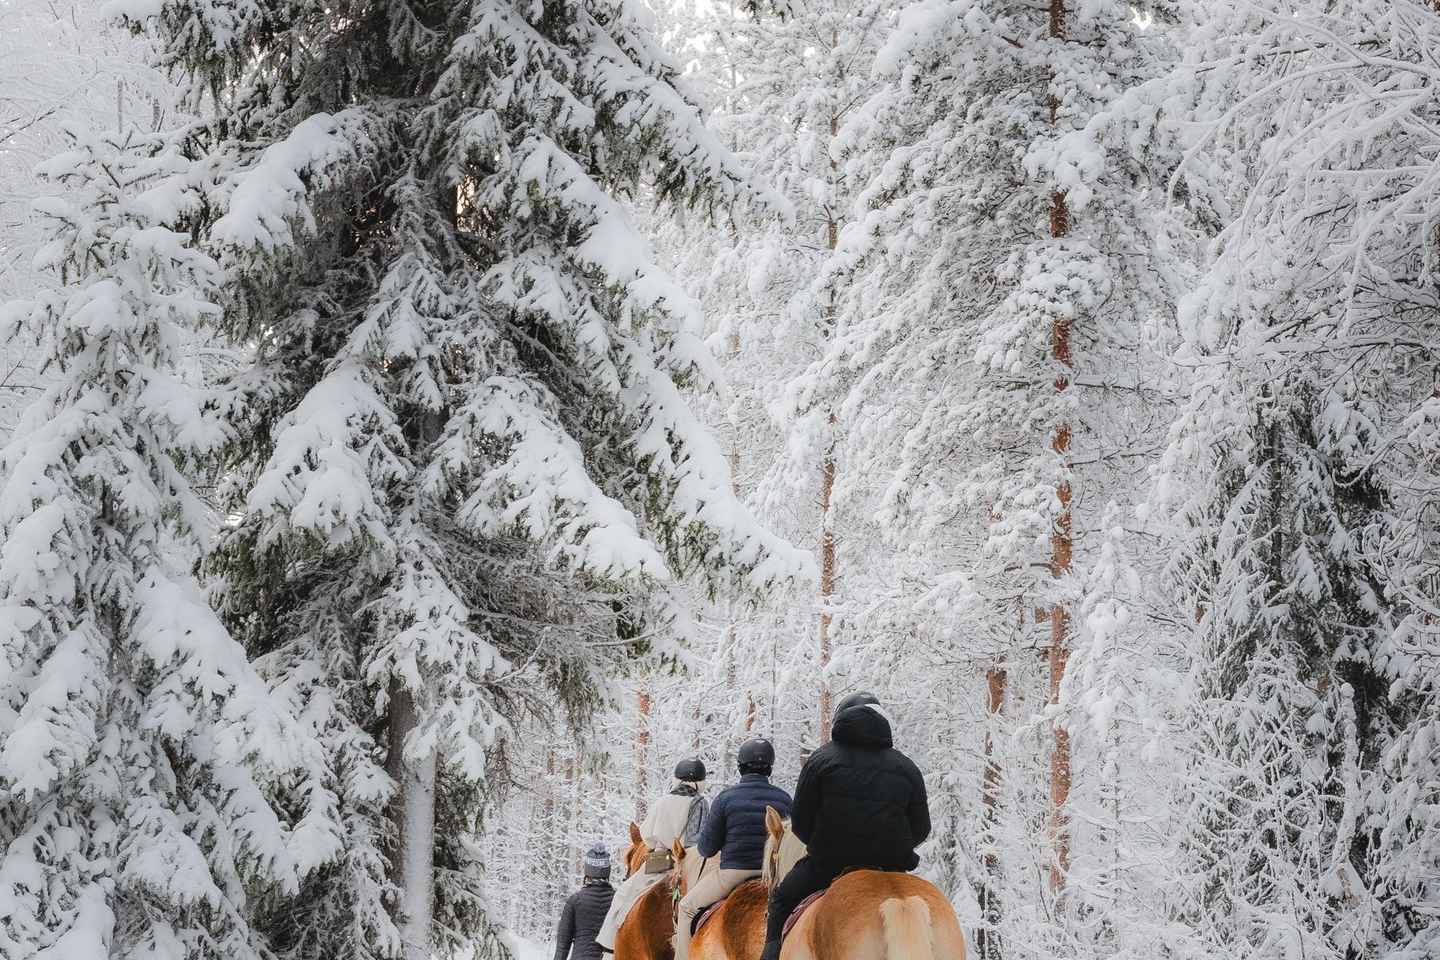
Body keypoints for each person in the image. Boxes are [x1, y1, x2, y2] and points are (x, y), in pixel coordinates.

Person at [759, 693, 930, 960]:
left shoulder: (820, 760)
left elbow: (801, 825)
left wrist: (823, 847)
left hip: (828, 865)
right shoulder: (907, 767)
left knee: (781, 901)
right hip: (891, 866)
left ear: (841, 719)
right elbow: (921, 829)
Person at [675, 739, 792, 960]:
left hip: (732, 874)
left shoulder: (726, 798)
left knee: (686, 907)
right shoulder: (784, 798)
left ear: (740, 766)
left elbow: (707, 849)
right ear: (770, 766)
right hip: (775, 876)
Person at [596, 758, 710, 952]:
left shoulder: (662, 802)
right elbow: (700, 840)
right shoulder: (701, 803)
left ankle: (610, 943)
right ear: (700, 782)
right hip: (688, 862)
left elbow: (647, 837)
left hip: (660, 860)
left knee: (625, 893)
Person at [555, 846, 616, 960]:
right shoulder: (618, 900)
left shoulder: (575, 900)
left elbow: (562, 945)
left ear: (587, 871)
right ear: (607, 871)